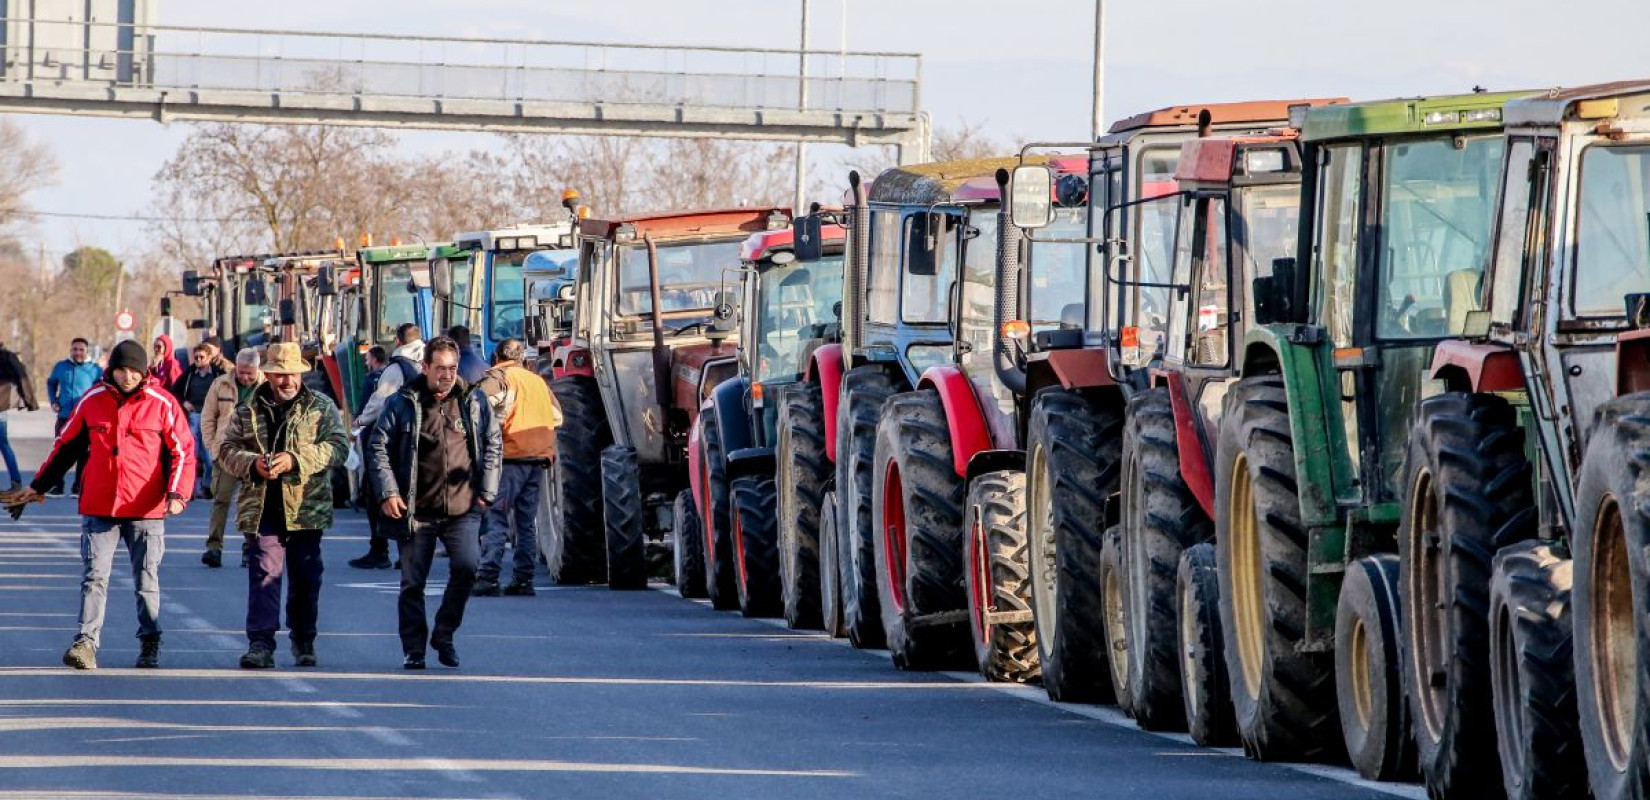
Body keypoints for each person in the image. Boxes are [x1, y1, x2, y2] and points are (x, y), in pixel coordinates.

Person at [3, 340, 194, 670]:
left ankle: (150, 642)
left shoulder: (162, 403)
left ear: (144, 370)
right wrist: (37, 487)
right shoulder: (93, 400)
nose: (127, 376)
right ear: (112, 370)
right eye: (121, 370)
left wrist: (177, 495)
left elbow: (183, 452)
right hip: (100, 505)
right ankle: (86, 643)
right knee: (94, 577)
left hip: (146, 508)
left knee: (146, 579)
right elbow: (65, 449)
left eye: (133, 370)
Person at [366, 336, 499, 669]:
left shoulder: (474, 400)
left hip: (463, 507)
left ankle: (444, 633)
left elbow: (493, 442)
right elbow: (378, 447)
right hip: (416, 511)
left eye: (452, 368)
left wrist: (488, 491)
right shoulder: (402, 402)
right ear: (425, 367)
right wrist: (389, 493)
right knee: (413, 583)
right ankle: (414, 649)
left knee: (468, 568)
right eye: (440, 368)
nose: (447, 374)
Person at [217, 342, 349, 669]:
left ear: (301, 375)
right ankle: (261, 643)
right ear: (269, 374)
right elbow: (226, 450)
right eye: (279, 375)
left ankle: (303, 638)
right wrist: (253, 463)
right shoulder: (247, 409)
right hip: (262, 507)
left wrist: (295, 460)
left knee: (305, 579)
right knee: (264, 574)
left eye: (292, 374)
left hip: (306, 509)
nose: (287, 382)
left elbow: (339, 448)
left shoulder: (321, 407)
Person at [472, 338, 561, 597]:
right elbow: (558, 416)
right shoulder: (537, 381)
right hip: (538, 459)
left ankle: (488, 577)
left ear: (497, 356)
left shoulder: (499, 378)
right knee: (525, 522)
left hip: (509, 459)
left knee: (495, 518)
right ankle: (523, 580)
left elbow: (477, 409)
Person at [350, 325, 423, 570]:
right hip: (427, 436)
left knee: (381, 492)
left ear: (398, 340)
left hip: (397, 436)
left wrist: (359, 421)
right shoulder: (432, 358)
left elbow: (381, 399)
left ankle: (380, 550)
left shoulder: (397, 366)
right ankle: (411, 552)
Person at [201, 348, 264, 568]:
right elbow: (208, 417)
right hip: (226, 452)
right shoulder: (220, 384)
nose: (245, 377)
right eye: (241, 372)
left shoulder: (267, 387)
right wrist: (212, 448)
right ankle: (214, 548)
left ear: (257, 369)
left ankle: (250, 549)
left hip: (255, 455)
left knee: (252, 503)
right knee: (221, 501)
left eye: (250, 373)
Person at [46, 338, 101, 496]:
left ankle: (78, 487)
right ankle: (58, 487)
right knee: (60, 452)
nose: (78, 353)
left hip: (85, 418)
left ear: (86, 351)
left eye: (81, 350)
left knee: (84, 453)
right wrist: (53, 401)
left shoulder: (95, 370)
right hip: (64, 416)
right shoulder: (61, 367)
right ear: (71, 350)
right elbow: (51, 383)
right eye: (75, 349)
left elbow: (102, 391)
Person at [172, 344, 225, 496]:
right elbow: (174, 392)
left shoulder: (217, 375)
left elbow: (228, 391)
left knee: (209, 457)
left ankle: (207, 486)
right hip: (194, 416)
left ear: (209, 358)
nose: (198, 360)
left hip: (210, 418)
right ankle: (191, 489)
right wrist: (184, 402)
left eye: (202, 357)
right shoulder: (189, 374)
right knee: (192, 454)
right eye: (196, 357)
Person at [0, 341, 38, 490]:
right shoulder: (8, 357)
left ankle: (16, 482)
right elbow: (22, 377)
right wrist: (30, 402)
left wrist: (30, 401)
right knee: (4, 445)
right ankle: (16, 482)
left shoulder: (7, 357)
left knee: (4, 445)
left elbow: (22, 378)